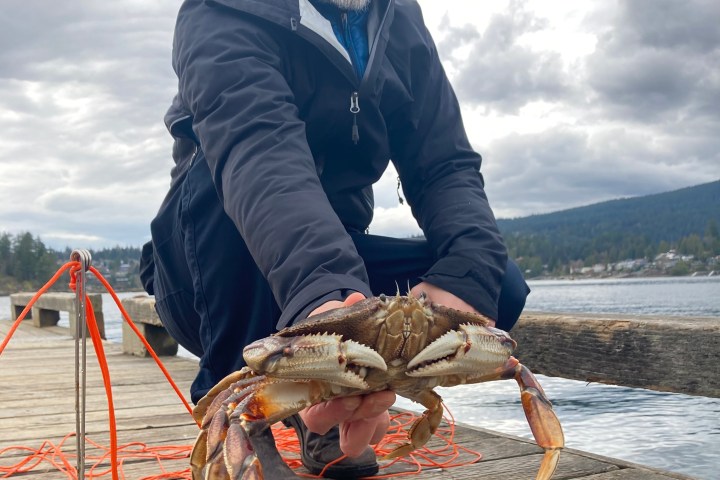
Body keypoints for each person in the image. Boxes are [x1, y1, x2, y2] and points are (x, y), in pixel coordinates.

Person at [140, 0, 530, 477]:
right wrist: (325, 299)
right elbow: (258, 152)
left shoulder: (398, 17)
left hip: (334, 258)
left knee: (497, 284)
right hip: (206, 279)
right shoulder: (220, 10)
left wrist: (467, 275)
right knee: (220, 186)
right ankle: (239, 430)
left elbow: (444, 164)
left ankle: (328, 410)